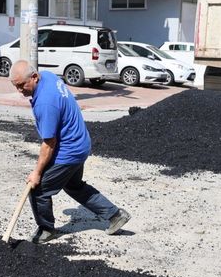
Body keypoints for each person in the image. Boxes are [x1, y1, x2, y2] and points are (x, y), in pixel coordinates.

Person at [8, 60, 131, 243]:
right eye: (15, 86)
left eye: (21, 85)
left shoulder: (45, 104)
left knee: (39, 189)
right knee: (74, 185)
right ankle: (115, 215)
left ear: (34, 77)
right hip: (81, 143)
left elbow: (49, 144)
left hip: (69, 151)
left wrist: (37, 173)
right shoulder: (48, 76)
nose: (19, 91)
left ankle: (46, 229)